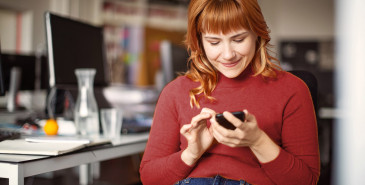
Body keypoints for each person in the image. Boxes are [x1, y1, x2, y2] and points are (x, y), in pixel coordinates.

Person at [139, 0, 320, 184]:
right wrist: (192, 153)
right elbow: (150, 178)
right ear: (199, 41)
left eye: (238, 39)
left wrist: (257, 141)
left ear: (257, 33)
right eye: (214, 42)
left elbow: (306, 180)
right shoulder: (175, 92)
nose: (228, 54)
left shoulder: (292, 90)